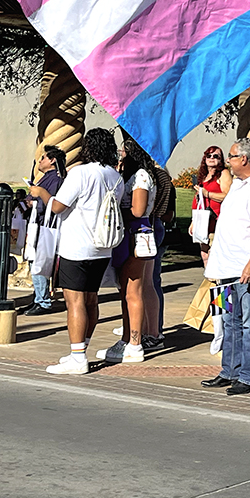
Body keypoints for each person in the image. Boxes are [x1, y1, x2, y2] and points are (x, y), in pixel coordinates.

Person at [44, 129, 124, 375]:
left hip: (77, 246)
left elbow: (58, 206)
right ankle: (81, 349)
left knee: (75, 301)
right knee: (91, 299)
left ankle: (78, 357)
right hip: (102, 247)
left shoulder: (80, 173)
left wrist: (42, 195)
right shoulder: (115, 176)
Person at [200, 137, 250, 395]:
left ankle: (248, 374)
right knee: (228, 319)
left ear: (244, 159)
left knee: (248, 321)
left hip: (244, 268)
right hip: (225, 267)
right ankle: (229, 368)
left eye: (231, 156)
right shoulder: (239, 184)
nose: (228, 161)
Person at [97, 132, 159, 364]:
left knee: (133, 290)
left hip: (136, 234)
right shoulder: (129, 175)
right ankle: (127, 339)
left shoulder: (141, 177)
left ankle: (135, 342)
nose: (121, 155)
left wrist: (114, 209)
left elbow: (138, 210)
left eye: (125, 151)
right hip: (127, 235)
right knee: (125, 290)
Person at [21, 146, 66, 316]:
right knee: (34, 260)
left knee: (39, 261)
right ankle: (38, 297)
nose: (40, 161)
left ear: (52, 160)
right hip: (36, 224)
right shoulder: (46, 178)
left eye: (43, 158)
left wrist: (34, 203)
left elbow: (52, 203)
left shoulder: (55, 179)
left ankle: (43, 301)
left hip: (44, 226)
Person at [147, 163, 176, 344]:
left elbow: (167, 213)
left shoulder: (157, 177)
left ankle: (154, 327)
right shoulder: (160, 176)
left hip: (152, 224)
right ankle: (150, 325)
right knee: (150, 280)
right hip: (155, 225)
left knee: (151, 280)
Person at [192, 146, 229, 265]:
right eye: (209, 155)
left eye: (216, 156)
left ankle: (216, 281)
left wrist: (207, 193)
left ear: (221, 159)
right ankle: (209, 280)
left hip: (217, 220)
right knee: (204, 254)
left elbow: (227, 196)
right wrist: (194, 222)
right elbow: (198, 200)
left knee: (215, 254)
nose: (212, 158)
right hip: (203, 221)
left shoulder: (223, 174)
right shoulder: (203, 176)